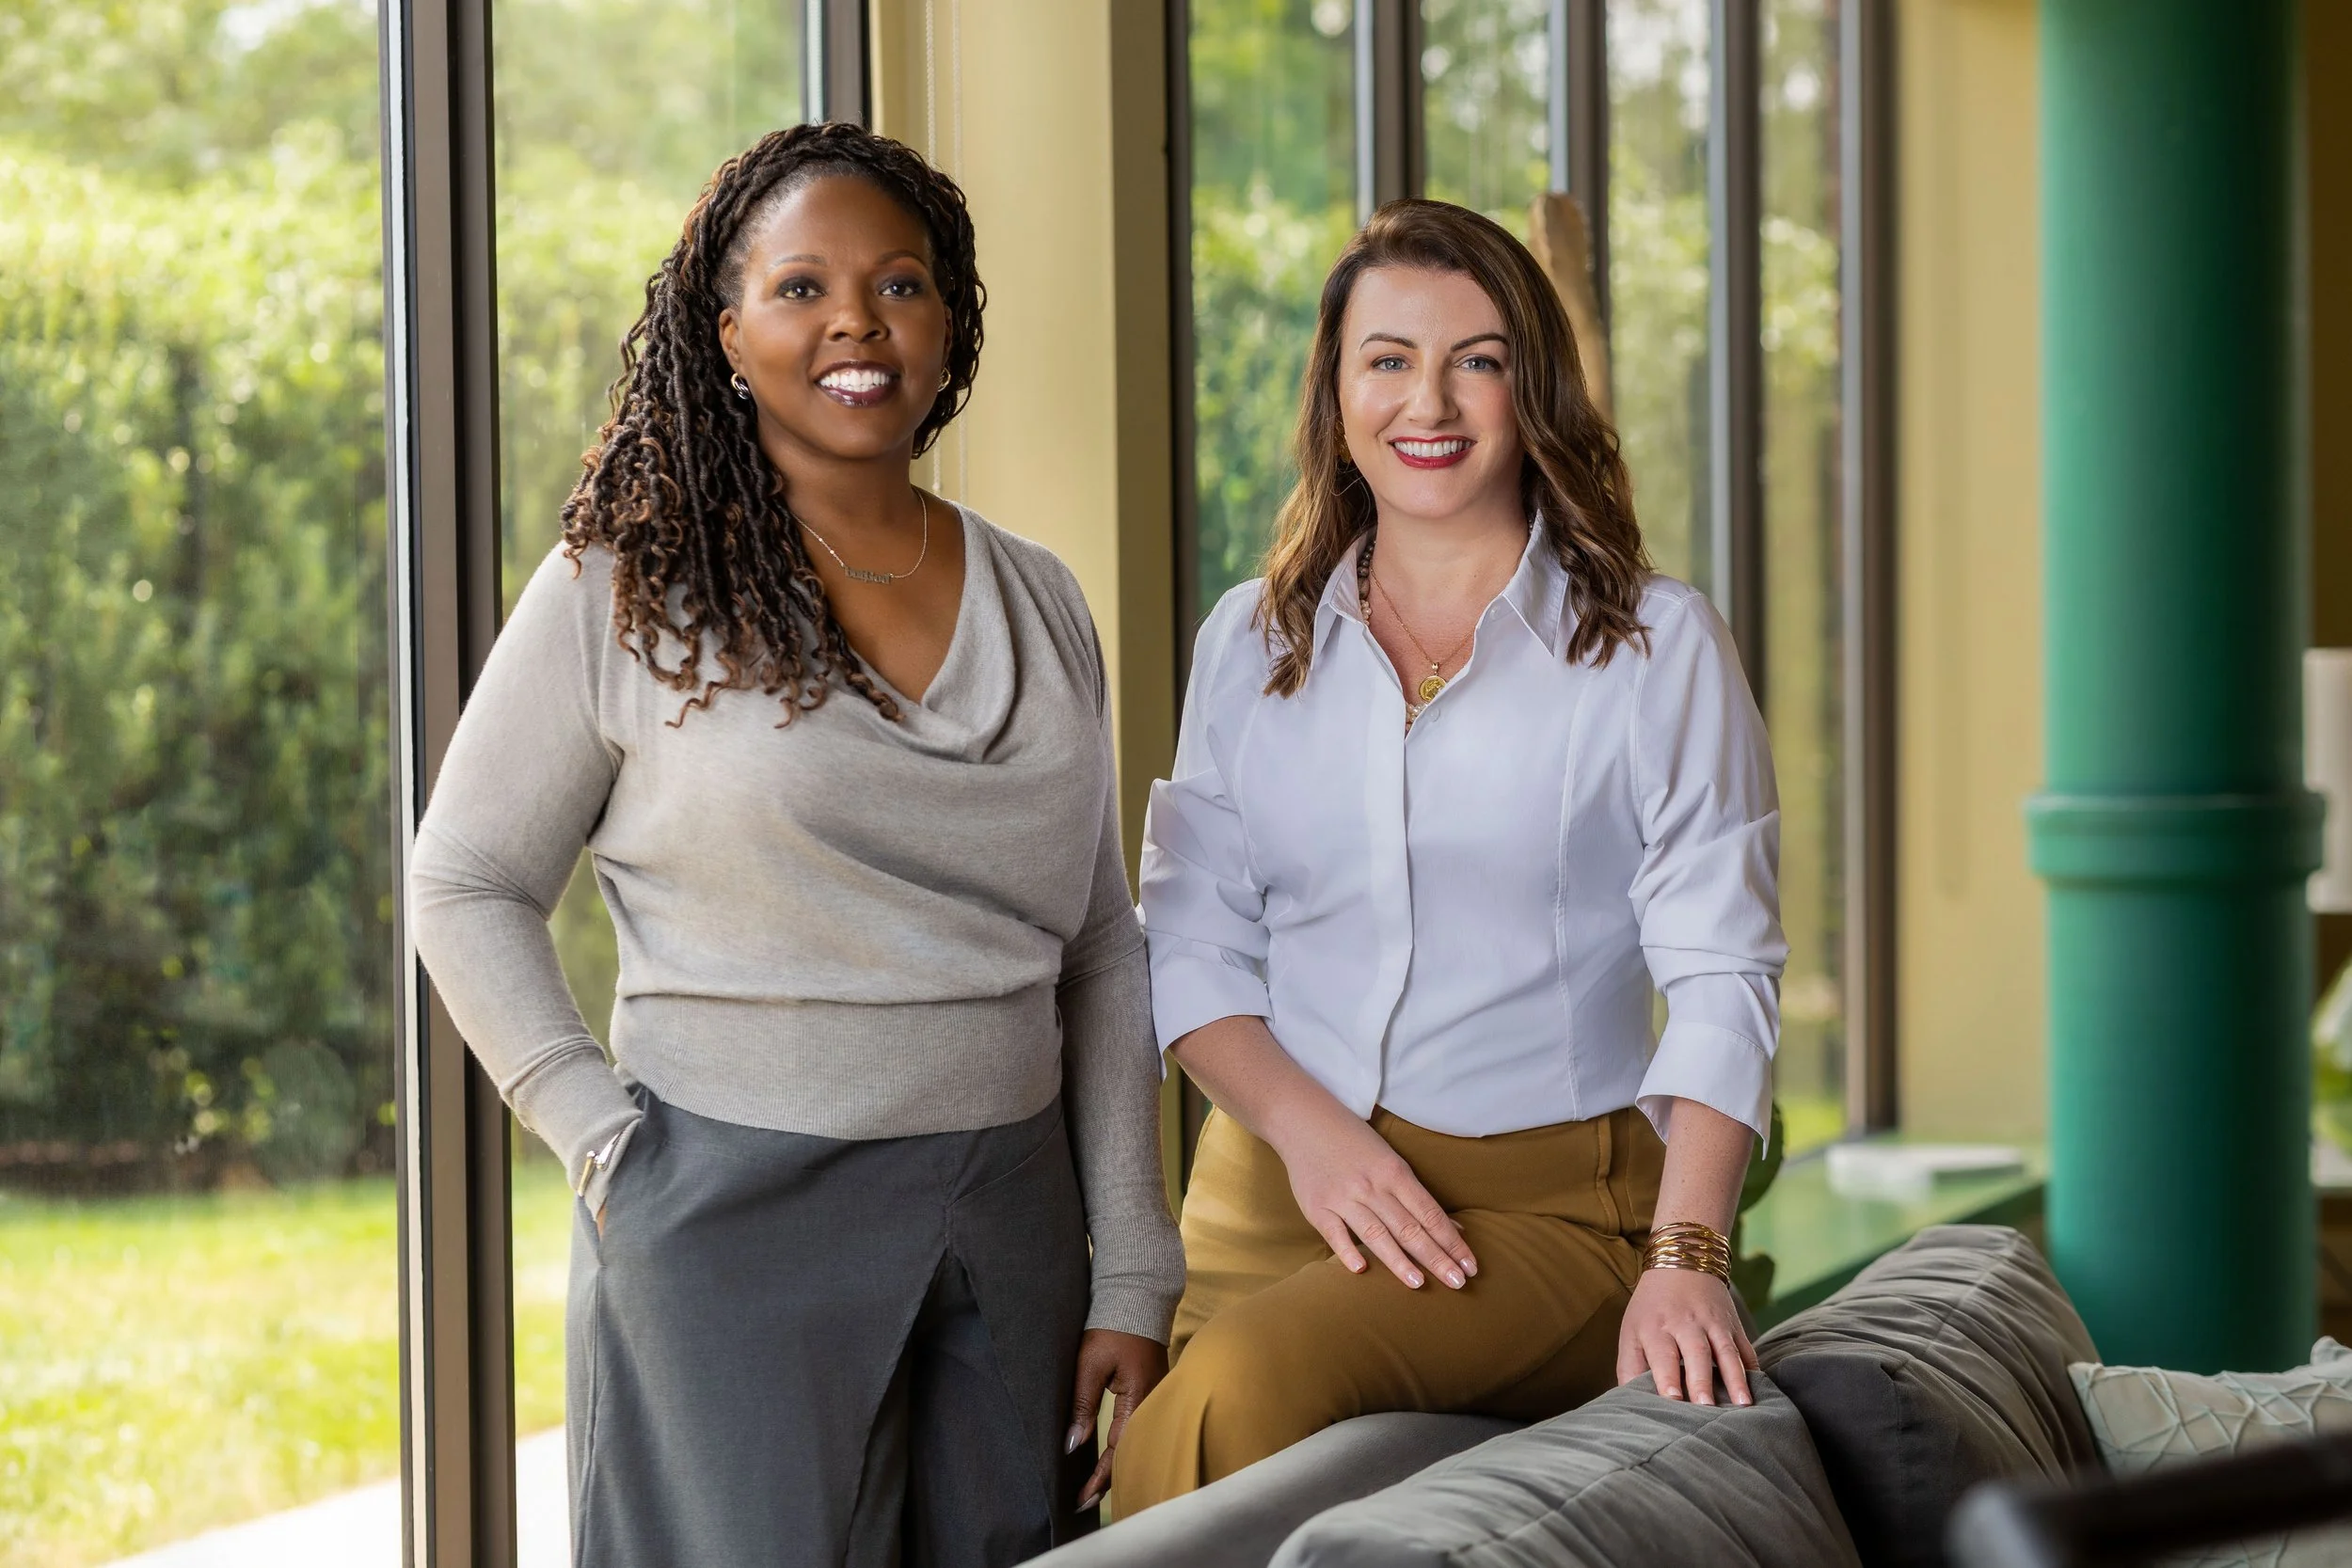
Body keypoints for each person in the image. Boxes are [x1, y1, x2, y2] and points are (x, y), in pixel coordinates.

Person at [407, 122, 1181, 1565]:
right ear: (727, 330)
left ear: (950, 324)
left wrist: (1133, 1262)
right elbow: (465, 878)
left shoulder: (1043, 597)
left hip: (1013, 1217)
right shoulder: (624, 589)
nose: (855, 325)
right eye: (801, 287)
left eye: (899, 285)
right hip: (727, 1221)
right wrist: (600, 1140)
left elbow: (1101, 943)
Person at [1111, 198, 1786, 1513]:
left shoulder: (1656, 646)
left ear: (1530, 385)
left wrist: (1689, 1249)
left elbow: (1724, 973)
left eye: (1476, 358)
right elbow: (1192, 942)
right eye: (1389, 359)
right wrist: (1313, 1140)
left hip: (1544, 1205)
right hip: (1274, 1172)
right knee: (1178, 1482)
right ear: (1337, 386)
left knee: (1238, 1394)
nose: (1431, 399)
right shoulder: (1250, 640)